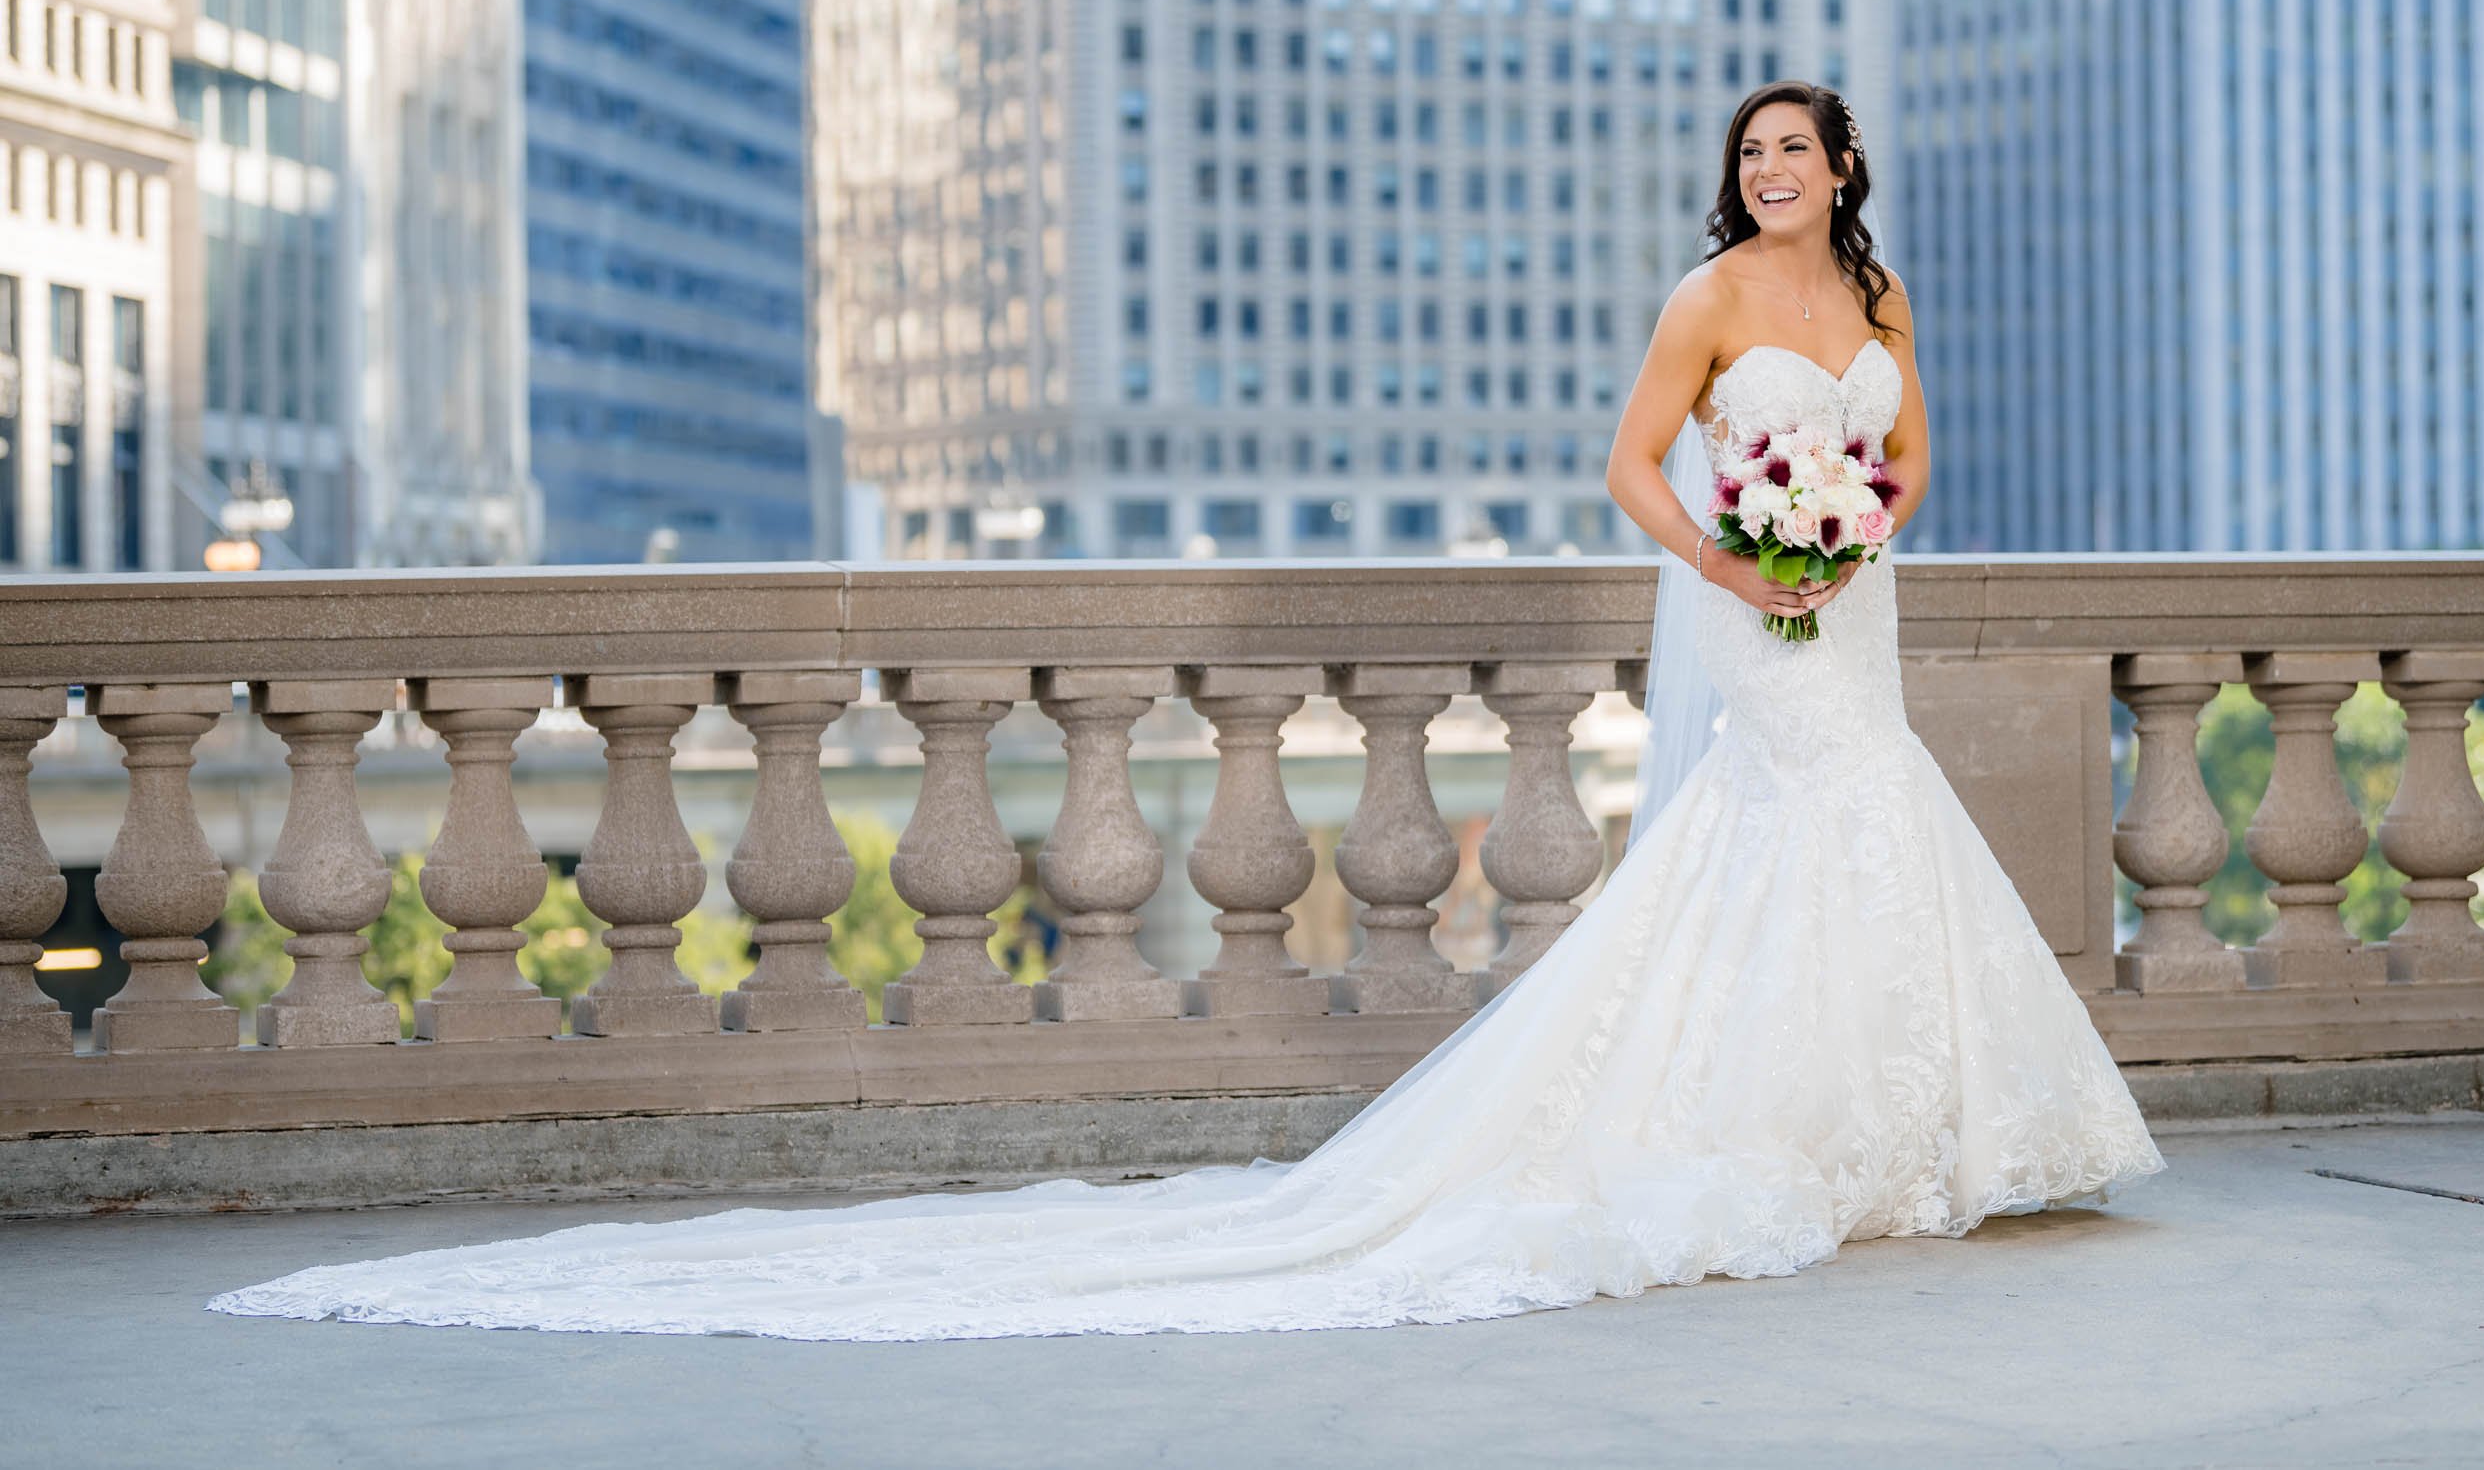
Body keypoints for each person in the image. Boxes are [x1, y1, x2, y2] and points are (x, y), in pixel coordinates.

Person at [207, 82, 2161, 1341]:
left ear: (1842, 173)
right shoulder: (1704, 298)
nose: (1766, 175)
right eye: (1747, 154)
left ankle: (1916, 1136)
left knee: (1866, 820)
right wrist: (1742, 565)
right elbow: (1629, 471)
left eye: (1789, 154)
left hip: (1855, 604)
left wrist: (1856, 529)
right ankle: (1767, 1130)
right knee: (1764, 835)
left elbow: (1914, 462)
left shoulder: (1883, 310)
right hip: (1753, 611)